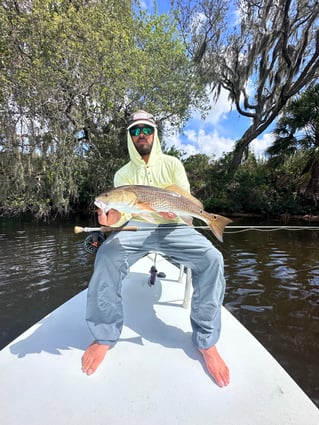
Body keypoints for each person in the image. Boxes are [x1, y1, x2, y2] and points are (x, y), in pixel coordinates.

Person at [81, 110, 230, 387]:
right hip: (138, 228)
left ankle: (206, 342)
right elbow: (121, 216)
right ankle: (104, 336)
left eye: (146, 130)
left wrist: (187, 214)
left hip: (174, 226)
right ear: (129, 137)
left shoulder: (173, 164)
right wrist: (108, 217)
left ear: (155, 133)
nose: (141, 135)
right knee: (106, 256)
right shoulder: (123, 174)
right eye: (135, 131)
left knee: (212, 258)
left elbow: (186, 203)